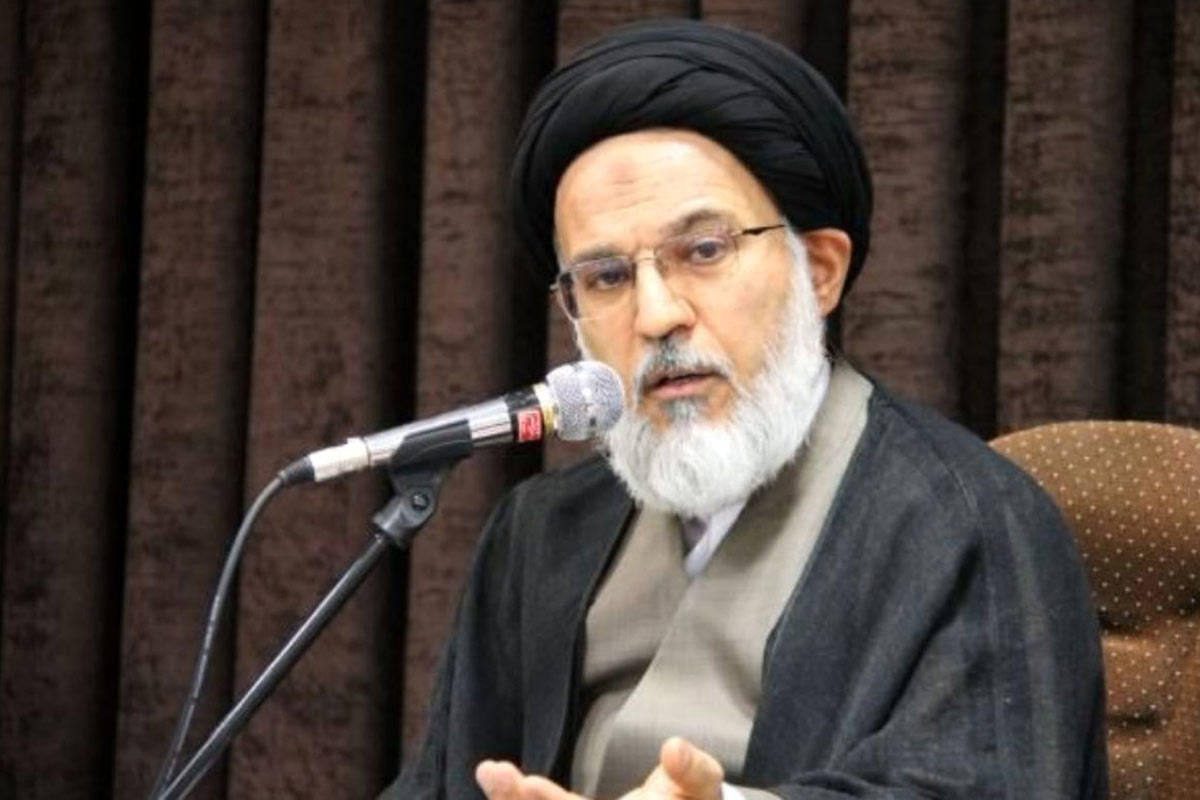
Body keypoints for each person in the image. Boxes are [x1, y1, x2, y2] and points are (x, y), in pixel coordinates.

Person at [383, 19, 1107, 800]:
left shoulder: (968, 521)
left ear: (820, 270)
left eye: (704, 251)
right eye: (606, 277)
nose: (656, 315)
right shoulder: (539, 531)